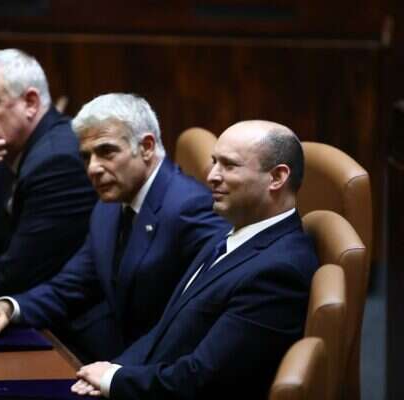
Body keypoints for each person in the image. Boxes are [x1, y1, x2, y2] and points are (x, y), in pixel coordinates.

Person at [0, 93, 228, 361]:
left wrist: (117, 374)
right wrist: (10, 308)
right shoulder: (109, 207)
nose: (93, 168)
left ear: (147, 147)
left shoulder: (190, 207)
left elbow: (199, 319)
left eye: (106, 152)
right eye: (86, 156)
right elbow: (71, 285)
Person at [71, 120, 319, 399]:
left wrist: (115, 380)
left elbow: (203, 379)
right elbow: (164, 331)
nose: (212, 175)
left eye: (229, 165)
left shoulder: (278, 272)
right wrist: (115, 368)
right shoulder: (230, 233)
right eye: (214, 162)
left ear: (277, 178)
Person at [0, 49, 97, 295]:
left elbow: (14, 280)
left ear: (30, 102)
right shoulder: (4, 150)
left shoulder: (59, 162)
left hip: (67, 324)